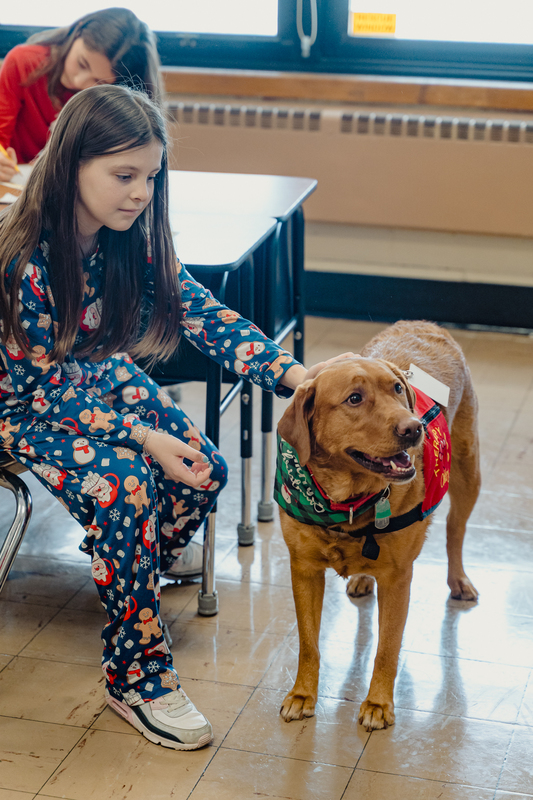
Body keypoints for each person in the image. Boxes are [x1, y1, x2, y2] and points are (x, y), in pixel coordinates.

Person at [0, 84, 353, 751]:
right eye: (123, 175)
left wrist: (292, 375)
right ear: (72, 164)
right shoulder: (27, 262)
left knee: (202, 472)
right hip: (20, 405)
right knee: (131, 482)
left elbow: (201, 313)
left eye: (150, 176)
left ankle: (126, 557)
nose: (139, 192)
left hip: (95, 376)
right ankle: (137, 675)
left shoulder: (129, 239)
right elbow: (44, 392)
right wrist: (142, 435)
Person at [0, 7, 163, 182]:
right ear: (77, 31)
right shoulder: (23, 62)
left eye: (99, 81)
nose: (80, 82)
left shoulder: (112, 98)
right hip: (14, 182)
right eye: (82, 63)